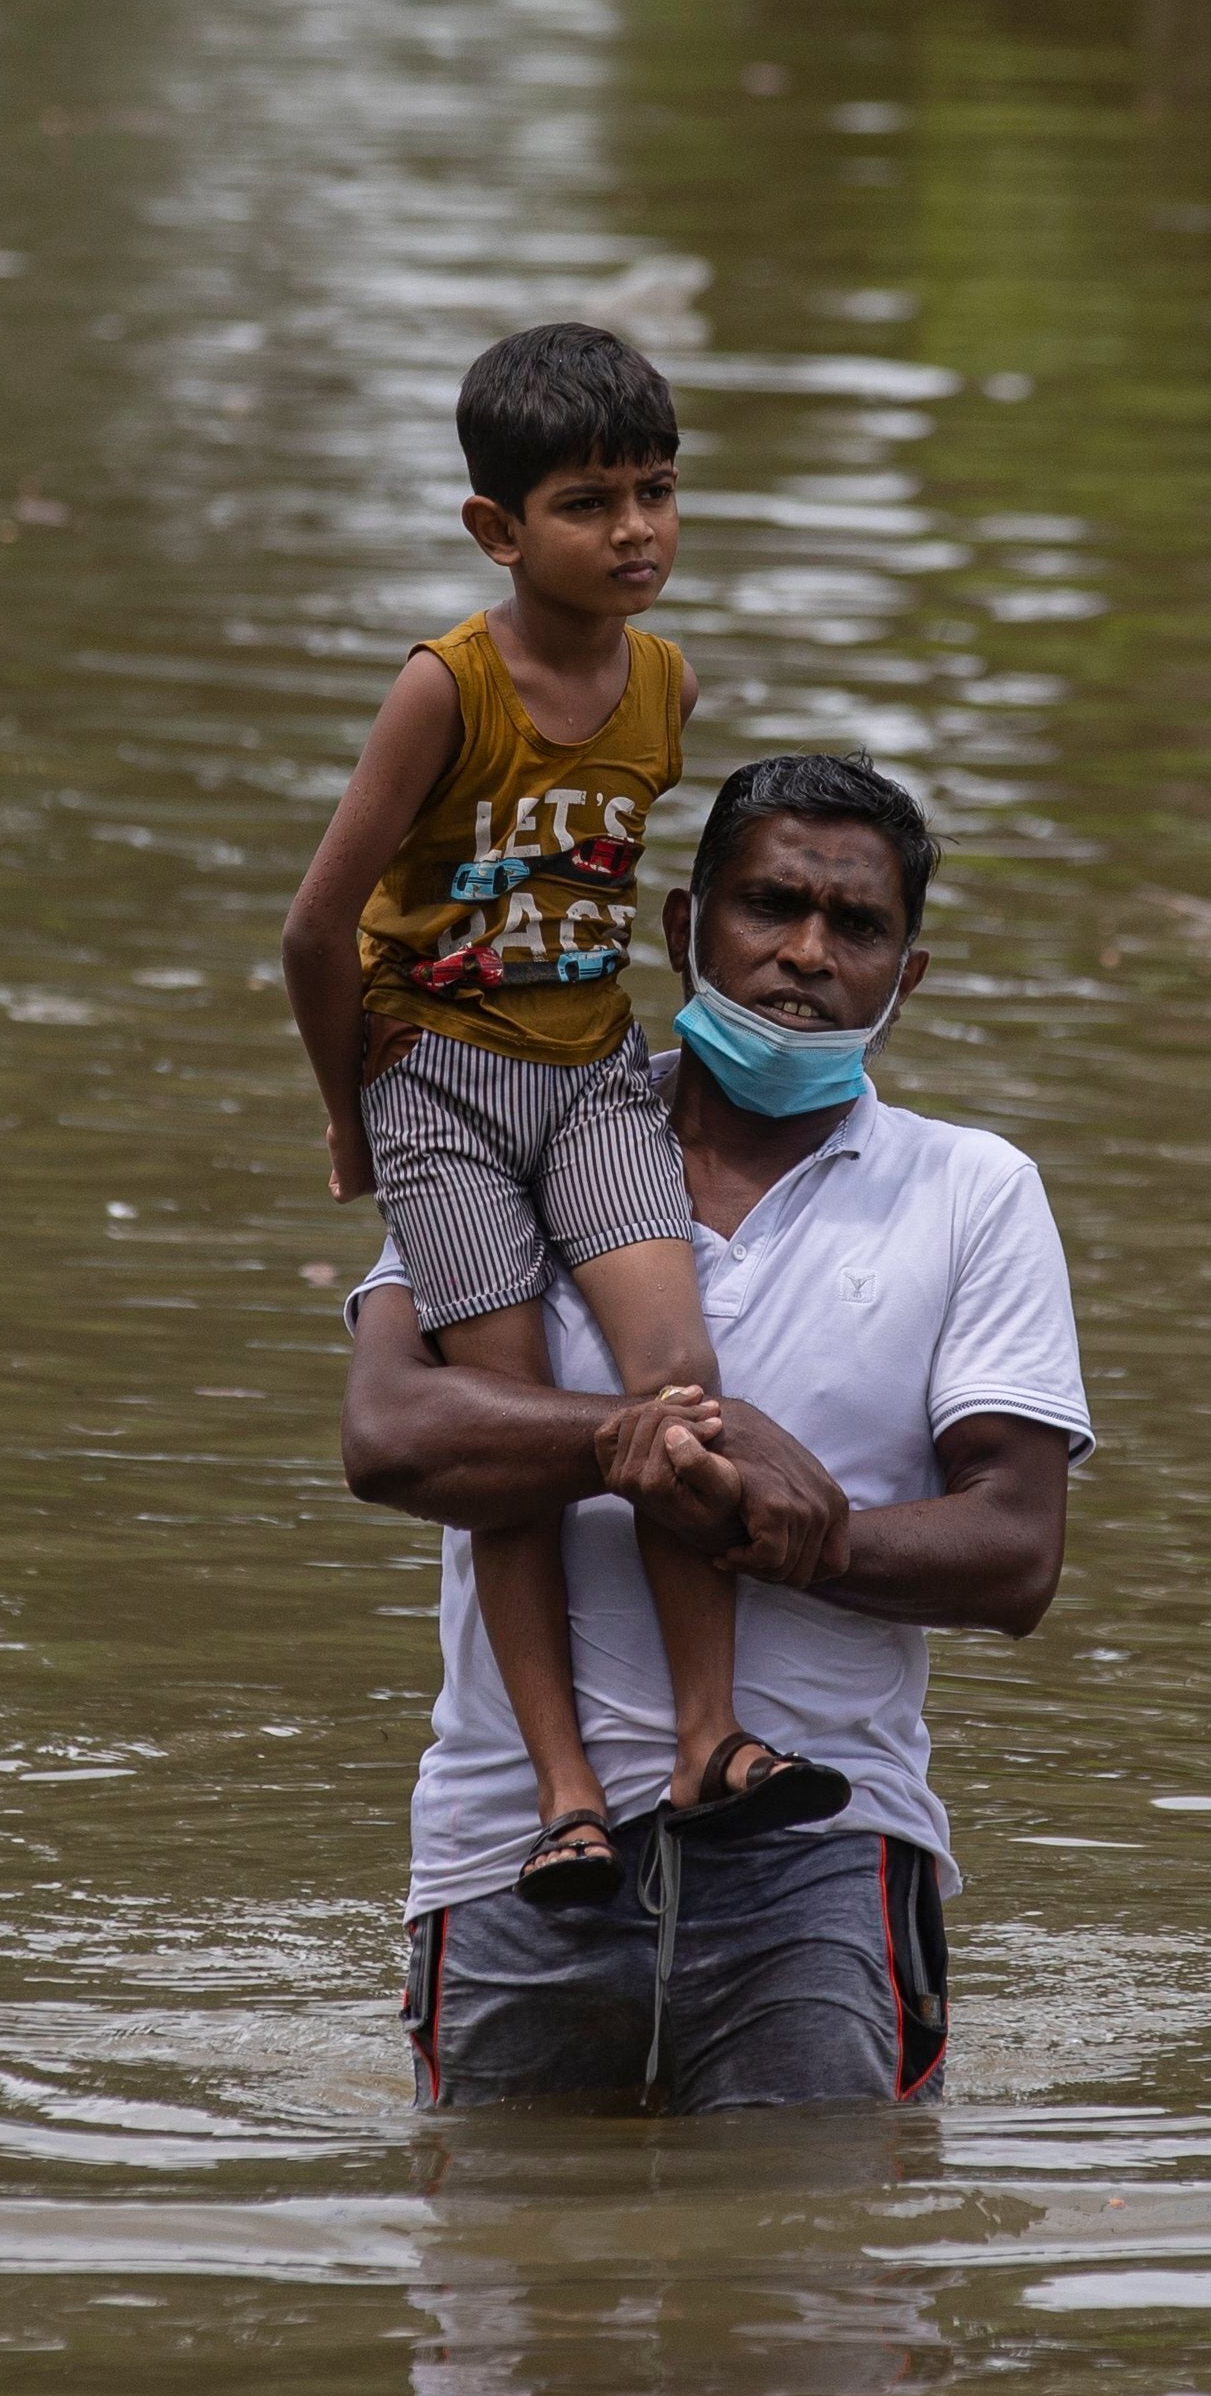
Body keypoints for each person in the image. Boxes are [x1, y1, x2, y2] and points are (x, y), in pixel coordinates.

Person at [338, 754, 1090, 2111]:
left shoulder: (971, 1191)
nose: (806, 954)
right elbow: (391, 1434)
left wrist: (812, 1536)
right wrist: (659, 1437)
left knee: (815, 2244)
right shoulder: (518, 1132)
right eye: (770, 905)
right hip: (513, 1849)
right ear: (684, 927)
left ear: (906, 977)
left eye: (856, 925)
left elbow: (1016, 1551)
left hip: (822, 1846)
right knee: (505, 2242)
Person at [280, 325, 845, 1915]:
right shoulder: (444, 689)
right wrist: (352, 1118)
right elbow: (314, 929)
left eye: (655, 491)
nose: (635, 531)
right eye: (589, 504)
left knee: (679, 1385)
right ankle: (563, 1796)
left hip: (594, 1073)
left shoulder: (664, 681)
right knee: (511, 1440)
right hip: (439, 1086)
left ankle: (707, 1742)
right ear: (497, 529)